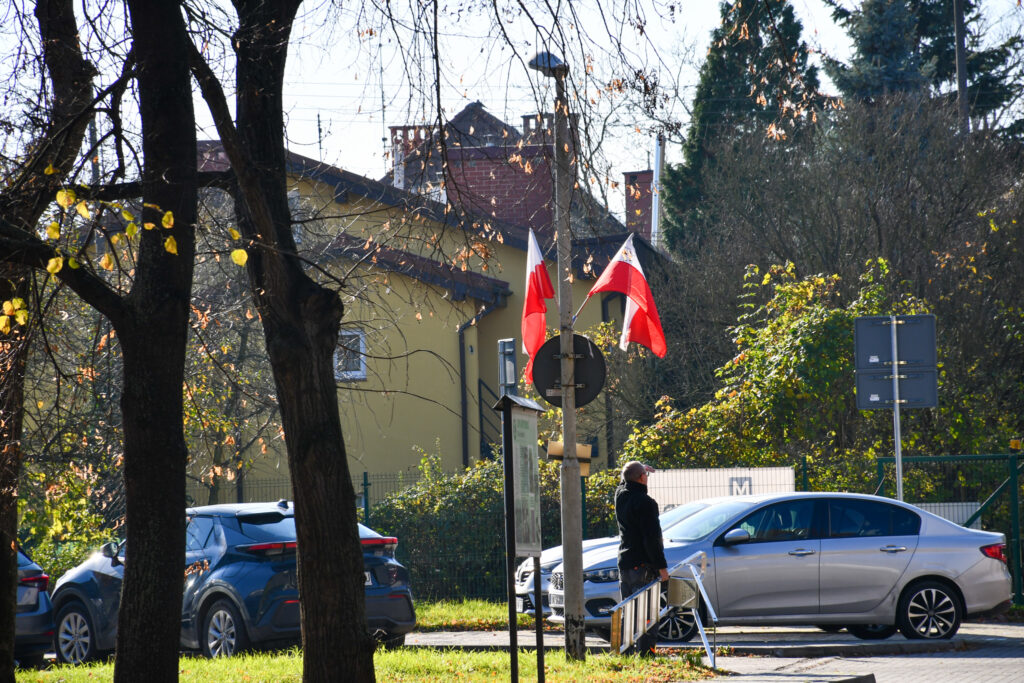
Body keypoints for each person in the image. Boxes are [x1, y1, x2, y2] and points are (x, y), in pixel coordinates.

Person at [615, 460, 668, 655]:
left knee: (628, 612)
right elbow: (652, 539)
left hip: (625, 562)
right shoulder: (646, 503)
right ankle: (647, 654)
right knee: (648, 614)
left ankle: (625, 653)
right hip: (644, 564)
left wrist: (637, 470)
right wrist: (662, 568)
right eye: (645, 474)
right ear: (642, 478)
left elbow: (624, 481)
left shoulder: (620, 496)